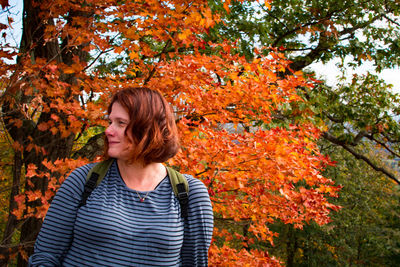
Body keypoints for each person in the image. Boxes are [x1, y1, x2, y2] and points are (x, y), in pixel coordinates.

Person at [29, 87, 214, 266]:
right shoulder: (84, 180)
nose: (108, 130)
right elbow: (45, 256)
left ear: (149, 129)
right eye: (110, 122)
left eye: (121, 123)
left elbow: (196, 262)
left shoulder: (189, 194)